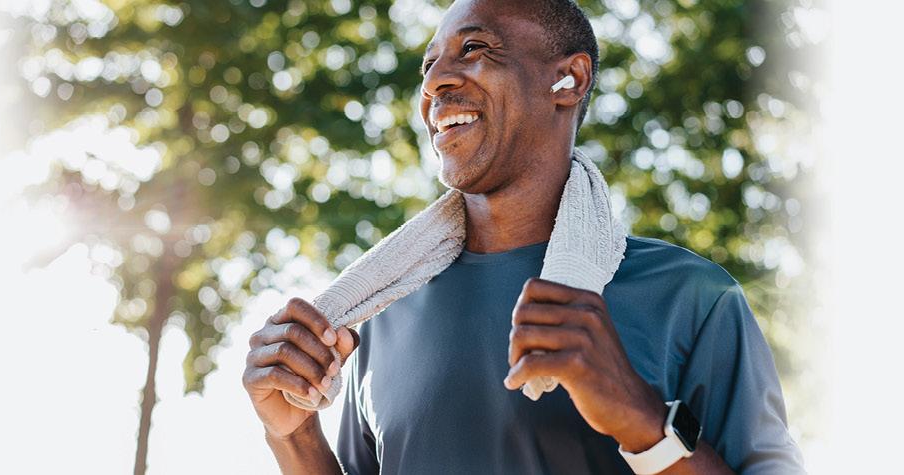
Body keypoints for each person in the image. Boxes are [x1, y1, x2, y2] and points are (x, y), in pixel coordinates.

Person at [241, 0, 804, 473]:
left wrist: (641, 420)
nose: (435, 82)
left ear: (569, 80)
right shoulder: (384, 311)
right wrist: (294, 436)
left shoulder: (691, 299)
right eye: (429, 66)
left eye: (475, 49)